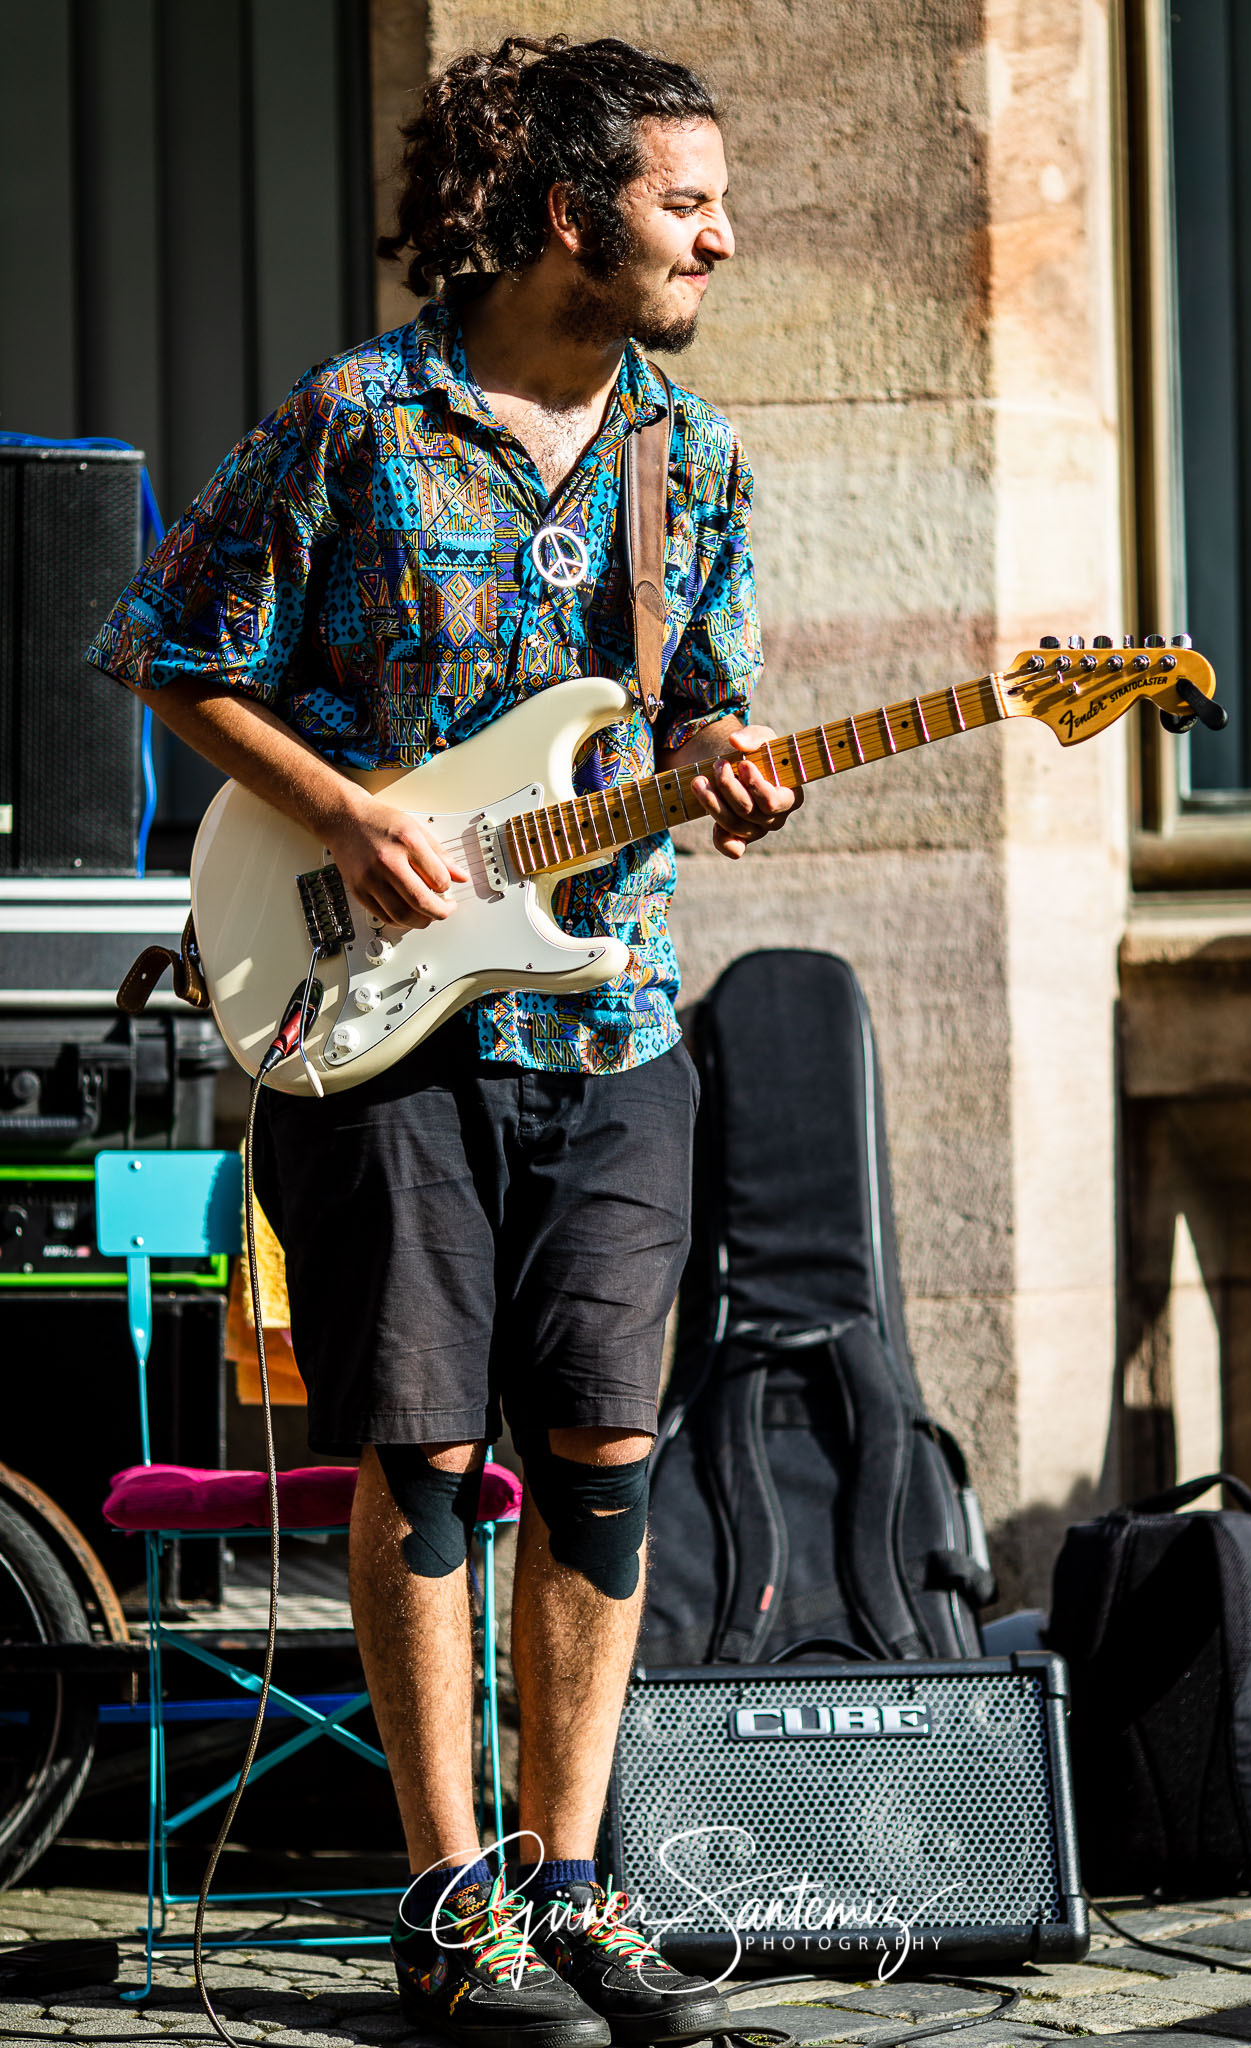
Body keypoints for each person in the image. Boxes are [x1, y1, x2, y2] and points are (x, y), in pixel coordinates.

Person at [88, 31, 799, 2048]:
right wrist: (343, 818)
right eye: (684, 201)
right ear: (574, 213)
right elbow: (167, 651)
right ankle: (447, 1899)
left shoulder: (697, 456)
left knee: (599, 1449)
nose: (718, 235)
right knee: (418, 1446)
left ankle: (575, 1884)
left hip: (618, 1017)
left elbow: (703, 707)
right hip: (377, 1025)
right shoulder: (355, 419)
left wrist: (723, 766)